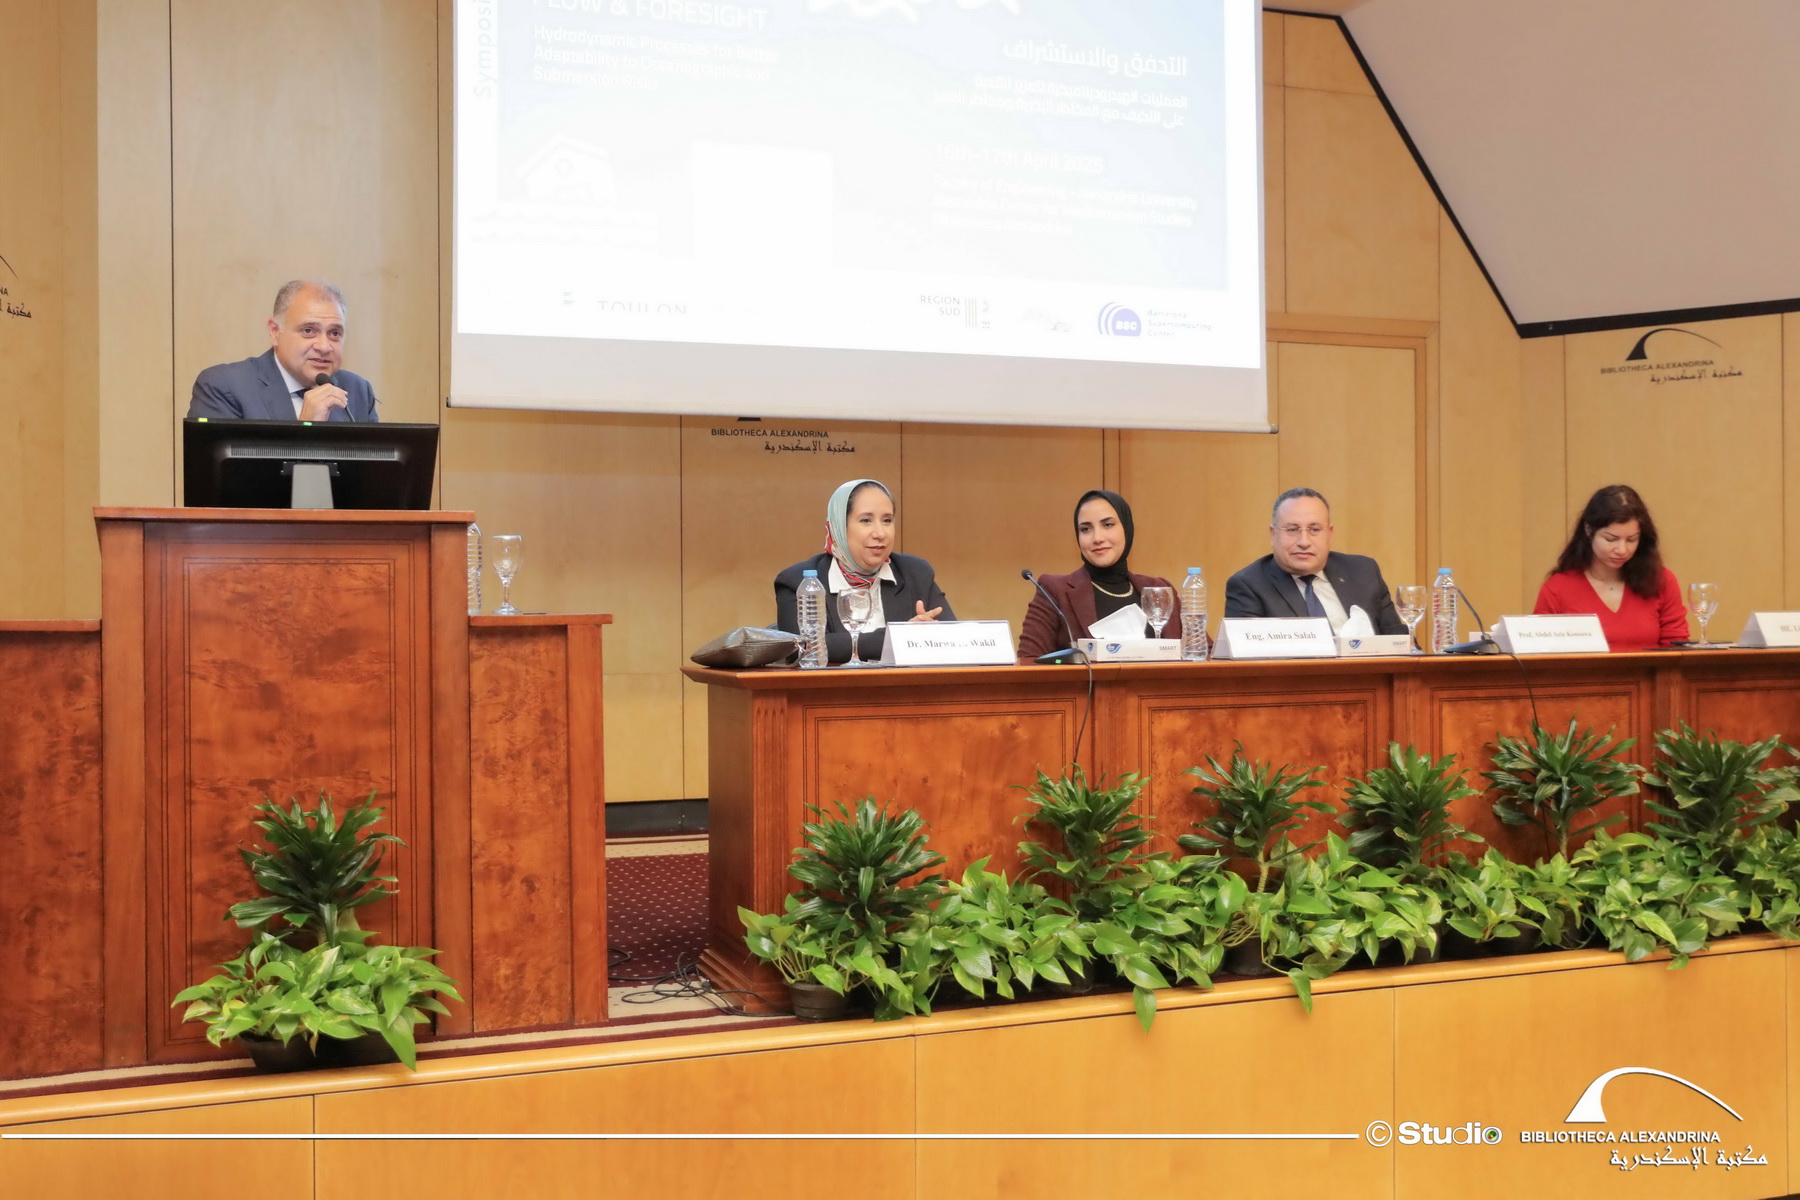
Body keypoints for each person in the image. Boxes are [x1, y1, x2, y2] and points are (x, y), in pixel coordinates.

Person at [774, 478, 953, 664]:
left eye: (887, 520)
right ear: (839, 526)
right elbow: (802, 649)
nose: (880, 533)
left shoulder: (915, 573)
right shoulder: (797, 581)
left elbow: (955, 639)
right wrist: (898, 637)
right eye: (866, 520)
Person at [1017, 489, 1179, 662]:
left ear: (1127, 528)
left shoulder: (1159, 588)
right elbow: (1028, 662)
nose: (1097, 538)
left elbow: (1195, 654)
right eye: (1086, 529)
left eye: (1108, 525)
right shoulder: (1054, 590)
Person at [188, 280, 379, 422]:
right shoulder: (225, 387)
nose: (324, 346)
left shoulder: (357, 391)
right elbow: (222, 465)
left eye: (335, 333)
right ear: (275, 332)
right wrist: (306, 427)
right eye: (308, 331)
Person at [1223, 486, 1406, 635]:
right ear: (1273, 534)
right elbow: (1250, 660)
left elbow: (1400, 644)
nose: (1304, 542)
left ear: (1329, 534)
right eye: (1292, 530)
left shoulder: (1363, 571)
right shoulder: (1248, 586)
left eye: (1314, 530)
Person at [1533, 484, 1688, 651]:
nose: (1622, 550)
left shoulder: (1661, 581)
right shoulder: (1558, 588)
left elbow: (1676, 650)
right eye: (1611, 539)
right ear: (1588, 530)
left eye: (1631, 540)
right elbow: (1540, 654)